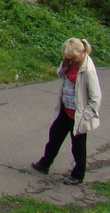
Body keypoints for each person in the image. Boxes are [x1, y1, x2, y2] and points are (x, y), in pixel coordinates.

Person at [30, 37, 101, 185]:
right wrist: (64, 64)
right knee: (54, 137)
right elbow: (60, 73)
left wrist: (85, 116)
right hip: (65, 109)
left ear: (80, 54)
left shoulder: (87, 70)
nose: (71, 61)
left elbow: (96, 98)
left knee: (78, 147)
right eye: (68, 58)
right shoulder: (70, 64)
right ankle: (44, 164)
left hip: (78, 115)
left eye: (72, 58)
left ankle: (78, 175)